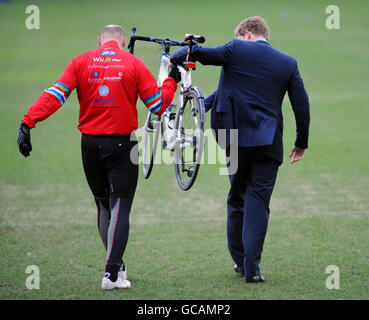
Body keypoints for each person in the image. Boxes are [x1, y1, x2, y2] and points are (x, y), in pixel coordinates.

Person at [17, 24, 181, 290]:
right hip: (123, 144)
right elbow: (158, 105)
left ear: (100, 41)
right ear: (122, 41)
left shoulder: (80, 61)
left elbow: (55, 96)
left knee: (103, 205)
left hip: (89, 146)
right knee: (120, 207)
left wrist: (28, 122)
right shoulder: (133, 63)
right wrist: (171, 79)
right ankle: (112, 274)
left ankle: (116, 265)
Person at [171, 16, 310, 282]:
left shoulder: (236, 49)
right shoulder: (288, 63)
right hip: (268, 142)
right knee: (258, 202)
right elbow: (301, 105)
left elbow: (203, 54)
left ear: (246, 33)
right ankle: (252, 268)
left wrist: (180, 53)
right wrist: (301, 142)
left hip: (234, 139)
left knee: (237, 198)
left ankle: (239, 260)